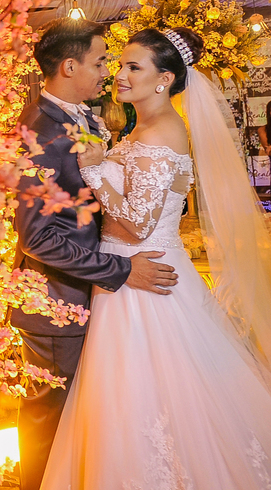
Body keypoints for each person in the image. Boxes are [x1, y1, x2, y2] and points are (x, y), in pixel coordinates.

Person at [41, 27, 271, 489]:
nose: (119, 75)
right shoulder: (143, 127)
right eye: (118, 65)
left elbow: (138, 224)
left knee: (149, 396)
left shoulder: (163, 130)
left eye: (133, 67)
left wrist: (94, 170)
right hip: (128, 273)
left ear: (164, 79)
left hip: (142, 276)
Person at [12, 18, 177, 490]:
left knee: (86, 422)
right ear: (70, 66)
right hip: (56, 302)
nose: (109, 72)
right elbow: (36, 237)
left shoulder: (79, 116)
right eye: (102, 61)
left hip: (88, 296)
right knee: (50, 422)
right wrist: (121, 269)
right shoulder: (42, 131)